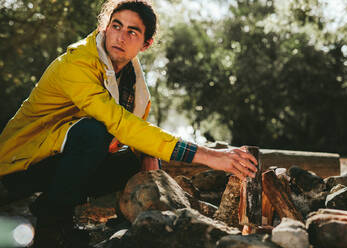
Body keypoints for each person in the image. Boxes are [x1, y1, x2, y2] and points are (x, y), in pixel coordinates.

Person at [0, 0, 258, 247]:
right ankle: (51, 223)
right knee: (94, 132)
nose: (120, 37)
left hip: (55, 161)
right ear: (105, 27)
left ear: (146, 44)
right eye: (116, 26)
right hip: (19, 166)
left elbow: (134, 127)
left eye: (132, 32)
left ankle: (125, 229)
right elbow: (119, 123)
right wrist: (209, 156)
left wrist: (144, 154)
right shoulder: (77, 63)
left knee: (132, 160)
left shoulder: (132, 79)